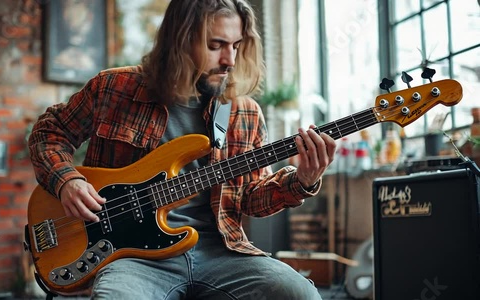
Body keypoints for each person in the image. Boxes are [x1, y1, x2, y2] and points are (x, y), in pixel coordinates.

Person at [28, 0, 336, 299]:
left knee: (299, 293)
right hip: (135, 259)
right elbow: (48, 133)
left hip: (221, 252)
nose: (230, 59)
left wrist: (303, 180)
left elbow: (252, 200)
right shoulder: (114, 88)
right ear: (181, 40)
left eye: (236, 45)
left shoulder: (245, 112)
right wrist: (67, 180)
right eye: (216, 46)